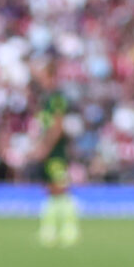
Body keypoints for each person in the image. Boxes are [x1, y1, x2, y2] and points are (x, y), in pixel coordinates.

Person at [34, 73, 81, 247]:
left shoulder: (56, 99)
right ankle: (51, 229)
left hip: (56, 152)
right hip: (51, 151)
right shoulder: (45, 100)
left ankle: (68, 229)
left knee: (60, 189)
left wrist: (45, 147)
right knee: (51, 190)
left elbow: (58, 127)